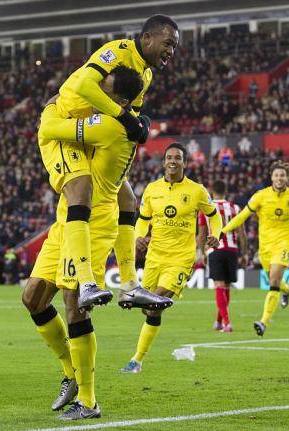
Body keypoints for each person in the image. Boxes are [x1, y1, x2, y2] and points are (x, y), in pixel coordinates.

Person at [22, 66, 162, 420]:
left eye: (106, 89)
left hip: (93, 222)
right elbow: (128, 195)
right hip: (67, 218)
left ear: (121, 101)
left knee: (74, 305)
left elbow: (51, 129)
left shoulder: (110, 125)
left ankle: (88, 400)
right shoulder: (120, 124)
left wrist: (54, 106)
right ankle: (70, 373)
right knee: (33, 297)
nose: (97, 93)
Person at [37, 15, 179, 311]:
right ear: (148, 38)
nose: (171, 51)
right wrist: (126, 117)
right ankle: (87, 283)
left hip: (91, 130)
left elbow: (131, 112)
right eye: (168, 43)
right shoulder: (116, 51)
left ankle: (129, 286)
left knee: (128, 200)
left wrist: (138, 124)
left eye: (175, 47)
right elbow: (89, 86)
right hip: (63, 126)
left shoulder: (147, 75)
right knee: (81, 189)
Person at [120, 143, 222, 373]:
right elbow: (143, 218)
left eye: (178, 157)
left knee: (152, 300)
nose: (173, 161)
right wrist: (139, 236)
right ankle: (137, 361)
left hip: (180, 258)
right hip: (154, 257)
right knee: (151, 310)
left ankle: (136, 358)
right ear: (164, 161)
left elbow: (214, 215)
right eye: (169, 157)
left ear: (185, 162)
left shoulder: (197, 190)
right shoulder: (152, 189)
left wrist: (216, 234)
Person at [221, 161, 289, 336]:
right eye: (276, 175)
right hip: (265, 247)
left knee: (273, 282)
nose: (279, 178)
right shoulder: (260, 196)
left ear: (287, 178)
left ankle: (263, 322)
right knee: (274, 280)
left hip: (284, 244)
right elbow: (242, 216)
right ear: (271, 177)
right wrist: (223, 232)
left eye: (282, 175)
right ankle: (287, 290)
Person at [198, 180, 247, 333]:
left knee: (219, 286)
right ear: (226, 191)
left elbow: (202, 235)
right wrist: (244, 253)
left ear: (212, 191)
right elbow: (241, 233)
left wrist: (202, 252)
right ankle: (219, 322)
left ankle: (227, 323)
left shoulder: (206, 209)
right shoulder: (235, 208)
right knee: (225, 287)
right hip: (232, 250)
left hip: (215, 250)